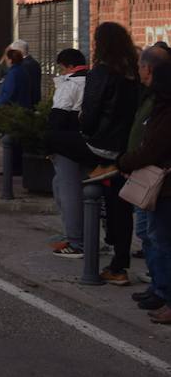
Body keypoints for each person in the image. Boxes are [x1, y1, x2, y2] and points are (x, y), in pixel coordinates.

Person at [81, 22, 143, 286]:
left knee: (57, 141)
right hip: (127, 147)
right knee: (121, 206)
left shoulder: (101, 72)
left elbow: (91, 113)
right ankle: (119, 261)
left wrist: (85, 129)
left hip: (102, 147)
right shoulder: (133, 73)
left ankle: (105, 253)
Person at [121, 47, 171, 316]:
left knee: (161, 240)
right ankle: (159, 288)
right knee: (151, 236)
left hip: (162, 183)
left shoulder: (164, 104)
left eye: (141, 66)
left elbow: (154, 146)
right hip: (151, 179)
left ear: (149, 69)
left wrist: (126, 162)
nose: (139, 71)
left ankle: (166, 295)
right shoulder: (153, 99)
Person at [46, 49, 89, 258]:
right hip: (90, 143)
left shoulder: (69, 85)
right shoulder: (93, 81)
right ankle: (84, 237)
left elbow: (57, 119)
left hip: (68, 145)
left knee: (68, 191)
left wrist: (50, 146)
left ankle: (76, 242)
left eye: (61, 68)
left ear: (68, 66)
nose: (60, 72)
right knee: (82, 192)